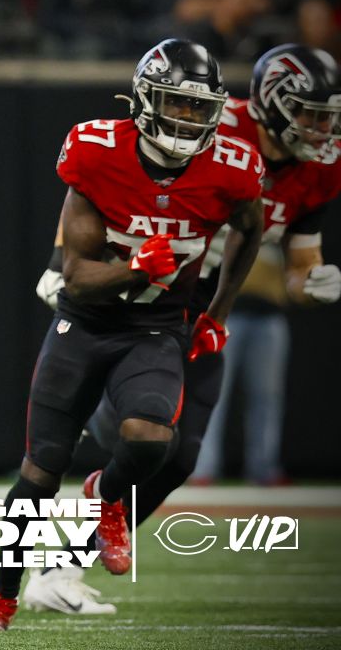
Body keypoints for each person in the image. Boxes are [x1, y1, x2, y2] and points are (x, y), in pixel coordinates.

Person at [24, 43, 341, 614]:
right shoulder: (209, 122)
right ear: (273, 101)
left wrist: (309, 286)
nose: (321, 129)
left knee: (181, 457)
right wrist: (58, 262)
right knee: (141, 431)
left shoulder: (318, 171)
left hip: (203, 305)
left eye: (328, 117)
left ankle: (63, 567)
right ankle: (110, 419)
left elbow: (296, 263)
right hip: (144, 297)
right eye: (311, 114)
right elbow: (104, 185)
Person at [0, 39, 265, 631]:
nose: (185, 119)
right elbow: (76, 279)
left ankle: (108, 498)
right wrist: (136, 268)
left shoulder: (231, 168)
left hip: (156, 327)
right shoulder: (98, 150)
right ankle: (0, 597)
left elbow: (249, 231)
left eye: (196, 108)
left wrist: (218, 313)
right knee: (40, 470)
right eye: (174, 105)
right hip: (86, 324)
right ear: (147, 100)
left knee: (153, 438)